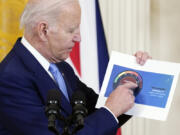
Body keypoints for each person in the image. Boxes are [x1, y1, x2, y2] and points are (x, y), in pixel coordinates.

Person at [0, 0, 151, 135]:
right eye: (71, 30)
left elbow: (99, 110)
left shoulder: (61, 67)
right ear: (43, 30)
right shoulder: (9, 79)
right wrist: (111, 110)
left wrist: (135, 74)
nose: (79, 38)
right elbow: (108, 111)